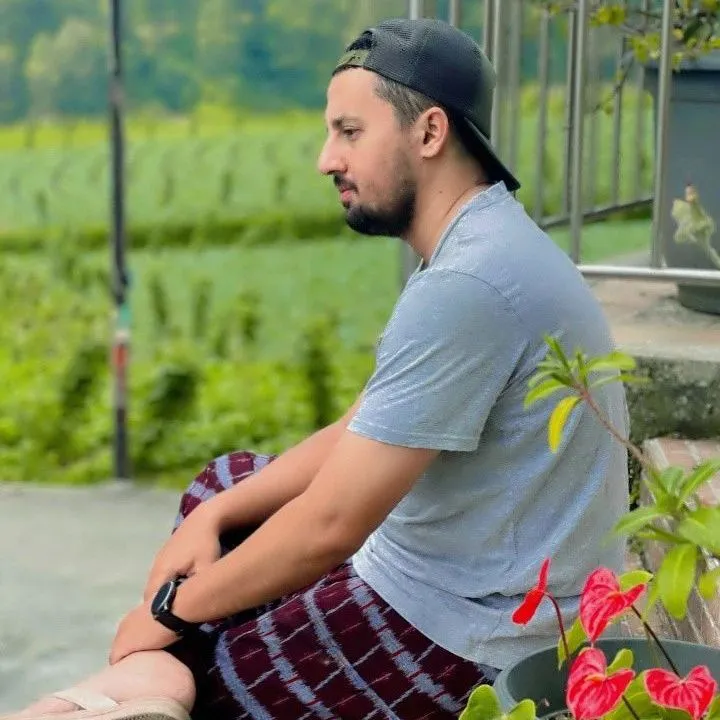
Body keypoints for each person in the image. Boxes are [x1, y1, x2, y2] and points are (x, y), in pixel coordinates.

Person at [4, 17, 629, 720]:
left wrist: (170, 613)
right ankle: (152, 685)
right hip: (445, 574)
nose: (326, 159)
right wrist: (214, 516)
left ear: (429, 133)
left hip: (471, 635)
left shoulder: (469, 285)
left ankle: (148, 687)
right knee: (224, 490)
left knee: (223, 684)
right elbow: (359, 429)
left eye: (349, 132)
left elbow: (333, 524)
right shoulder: (480, 244)